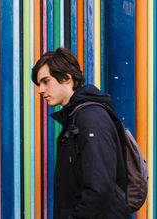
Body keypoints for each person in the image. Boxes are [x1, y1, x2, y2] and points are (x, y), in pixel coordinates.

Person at [32, 48, 130, 219]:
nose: (40, 90)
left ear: (67, 78)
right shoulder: (75, 118)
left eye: (46, 81)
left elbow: (99, 190)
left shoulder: (91, 119)